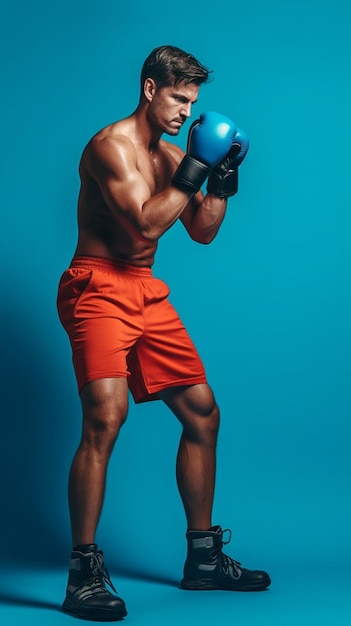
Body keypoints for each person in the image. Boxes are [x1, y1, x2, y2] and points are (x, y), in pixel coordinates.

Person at [57, 45, 271, 621]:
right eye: (179, 98)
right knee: (106, 416)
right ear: (150, 88)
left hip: (145, 288)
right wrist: (196, 167)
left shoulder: (172, 153)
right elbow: (146, 220)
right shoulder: (111, 148)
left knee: (203, 412)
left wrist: (221, 179)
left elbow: (200, 230)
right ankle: (83, 572)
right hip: (98, 286)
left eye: (193, 102)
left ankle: (202, 558)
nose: (186, 110)